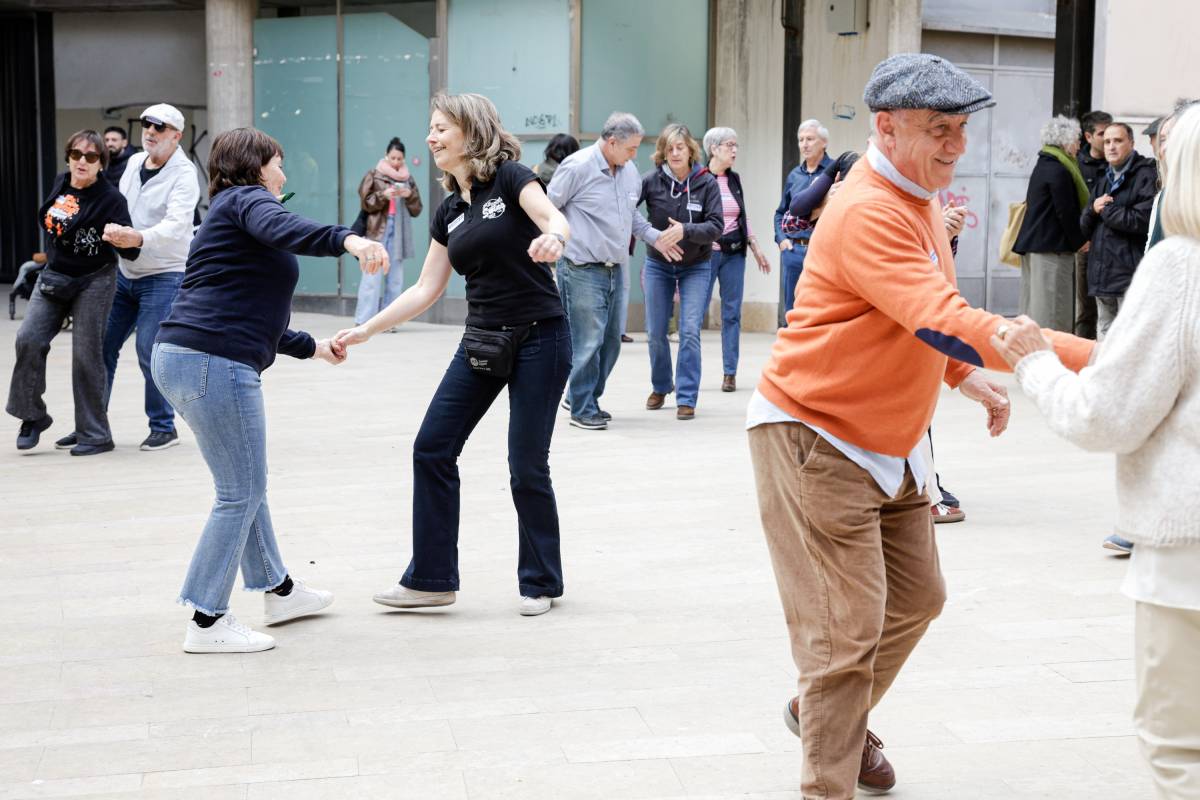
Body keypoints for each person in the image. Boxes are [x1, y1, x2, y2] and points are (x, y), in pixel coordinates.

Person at [748, 54, 1095, 799]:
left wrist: (964, 378)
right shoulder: (871, 207)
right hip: (816, 436)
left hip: (892, 440)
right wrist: (1101, 359)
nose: (956, 146)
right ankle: (826, 779)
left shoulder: (921, 196)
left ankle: (822, 711)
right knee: (845, 630)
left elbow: (909, 319)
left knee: (918, 598)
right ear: (886, 127)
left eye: (961, 130)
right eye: (940, 130)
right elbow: (945, 317)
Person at [992, 102, 1200, 800]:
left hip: (1188, 557)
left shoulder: (1182, 268)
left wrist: (1034, 363)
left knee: (1182, 753)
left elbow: (1105, 416)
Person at [335, 93, 572, 617]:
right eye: (430, 128)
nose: (431, 137)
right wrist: (367, 329)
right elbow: (425, 288)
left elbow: (552, 216)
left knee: (526, 465)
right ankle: (431, 579)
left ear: (472, 131)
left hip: (540, 336)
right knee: (432, 447)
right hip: (482, 341)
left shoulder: (511, 178)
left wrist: (554, 238)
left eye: (441, 128)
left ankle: (540, 582)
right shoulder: (449, 210)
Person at [151, 127, 387, 653]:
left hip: (193, 356)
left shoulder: (232, 214)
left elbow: (247, 310)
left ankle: (278, 590)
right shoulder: (247, 200)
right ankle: (207, 621)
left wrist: (313, 347)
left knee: (246, 484)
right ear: (257, 166)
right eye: (278, 163)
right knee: (239, 492)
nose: (284, 174)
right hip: (213, 363)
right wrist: (349, 240)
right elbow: (285, 226)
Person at [7, 130, 138, 455]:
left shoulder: (111, 199)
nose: (82, 161)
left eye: (91, 157)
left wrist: (122, 236)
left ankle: (95, 435)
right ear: (68, 156)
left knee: (86, 355)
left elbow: (131, 250)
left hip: (95, 279)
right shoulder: (61, 181)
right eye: (76, 154)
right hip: (55, 275)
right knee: (28, 339)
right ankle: (32, 415)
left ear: (101, 164)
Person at [93, 103, 201, 453]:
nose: (151, 132)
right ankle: (93, 426)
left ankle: (163, 426)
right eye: (147, 125)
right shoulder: (135, 162)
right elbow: (119, 202)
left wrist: (139, 237)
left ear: (176, 135)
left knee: (149, 350)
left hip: (165, 274)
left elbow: (176, 225)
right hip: (126, 271)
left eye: (160, 127)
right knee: (101, 346)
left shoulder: (184, 175)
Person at [548, 112, 646, 431]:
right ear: (612, 142)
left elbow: (633, 217)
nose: (635, 155)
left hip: (616, 266)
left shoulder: (630, 172)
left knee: (611, 340)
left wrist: (659, 238)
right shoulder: (577, 167)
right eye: (631, 148)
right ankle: (582, 405)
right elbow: (549, 208)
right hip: (581, 266)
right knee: (587, 340)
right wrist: (555, 245)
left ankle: (585, 395)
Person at [638, 123, 722, 420]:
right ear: (662, 151)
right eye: (669, 148)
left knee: (688, 332)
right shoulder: (650, 181)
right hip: (658, 265)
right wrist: (652, 235)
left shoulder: (706, 182)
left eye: (680, 148)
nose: (674, 153)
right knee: (655, 333)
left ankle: (686, 397)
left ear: (690, 151)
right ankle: (661, 386)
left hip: (696, 267)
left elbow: (716, 226)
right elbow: (626, 209)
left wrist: (685, 230)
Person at [701, 126, 770, 393]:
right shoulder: (699, 178)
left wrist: (756, 247)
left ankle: (730, 373)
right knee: (695, 314)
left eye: (735, 145)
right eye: (729, 145)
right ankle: (687, 371)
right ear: (714, 149)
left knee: (732, 315)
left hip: (734, 254)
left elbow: (742, 216)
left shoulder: (734, 179)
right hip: (706, 255)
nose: (734, 150)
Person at [1012, 116, 1090, 332]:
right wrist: (1080, 241)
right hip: (1051, 250)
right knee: (1053, 310)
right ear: (1065, 142)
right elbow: (1065, 211)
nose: (1078, 145)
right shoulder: (1059, 169)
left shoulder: (1045, 164)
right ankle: (1052, 357)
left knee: (1035, 307)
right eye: (1076, 139)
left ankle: (1033, 352)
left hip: (1037, 246)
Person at [1080, 122, 1158, 340]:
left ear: (1131, 143)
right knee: (1104, 335)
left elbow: (1142, 220)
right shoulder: (1103, 178)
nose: (1111, 146)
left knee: (1129, 339)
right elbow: (1084, 227)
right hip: (1102, 275)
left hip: (1129, 275)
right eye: (1106, 141)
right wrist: (1093, 211)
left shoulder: (1146, 175)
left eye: (1118, 140)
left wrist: (1105, 210)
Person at [354, 137, 423, 326]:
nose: (396, 162)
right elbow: (365, 203)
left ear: (404, 159)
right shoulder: (374, 175)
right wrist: (383, 195)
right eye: (393, 158)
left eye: (399, 158)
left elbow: (417, 210)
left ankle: (388, 322)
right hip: (377, 230)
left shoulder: (408, 179)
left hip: (399, 232)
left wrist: (410, 196)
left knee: (395, 279)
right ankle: (364, 320)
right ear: (386, 156)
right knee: (371, 275)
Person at [774, 119, 833, 324]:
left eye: (810, 139)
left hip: (822, 252)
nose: (804, 144)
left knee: (820, 309)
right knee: (792, 310)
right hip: (794, 251)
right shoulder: (794, 176)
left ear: (824, 142)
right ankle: (791, 354)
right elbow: (780, 213)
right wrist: (782, 240)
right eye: (801, 140)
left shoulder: (835, 172)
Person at [1075, 110, 1113, 339]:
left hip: (1112, 245)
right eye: (1102, 134)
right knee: (1085, 309)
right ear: (1089, 137)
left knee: (1112, 308)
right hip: (1087, 245)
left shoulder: (1118, 165)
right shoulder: (1077, 165)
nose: (1108, 140)